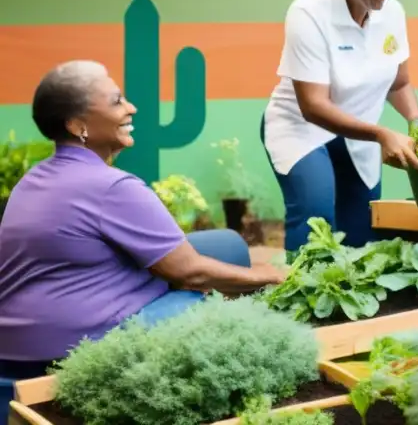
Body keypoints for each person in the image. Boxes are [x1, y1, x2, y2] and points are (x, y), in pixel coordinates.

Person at [0, 61, 285, 381]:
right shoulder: (111, 187)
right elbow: (191, 273)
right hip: (69, 352)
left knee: (227, 246)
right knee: (203, 301)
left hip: (14, 344)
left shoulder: (34, 179)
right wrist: (270, 276)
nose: (131, 108)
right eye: (117, 101)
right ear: (78, 125)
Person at [261, 0, 418, 253]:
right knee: (315, 226)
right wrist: (382, 134)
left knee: (363, 236)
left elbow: (399, 81)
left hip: (358, 133)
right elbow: (314, 106)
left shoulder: (392, 13)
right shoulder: (308, 12)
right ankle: (301, 302)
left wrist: (417, 122)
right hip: (302, 128)